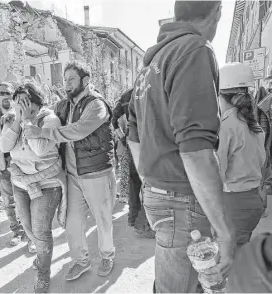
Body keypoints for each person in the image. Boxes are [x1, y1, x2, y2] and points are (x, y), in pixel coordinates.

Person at [127, 1, 235, 292]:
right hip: (181, 198)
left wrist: (151, 184)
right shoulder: (194, 49)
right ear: (217, 13)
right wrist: (225, 234)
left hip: (159, 193)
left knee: (177, 283)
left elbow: (133, 137)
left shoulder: (149, 65)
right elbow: (196, 151)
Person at [24, 60, 117, 281]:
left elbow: (77, 131)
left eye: (71, 79)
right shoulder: (63, 106)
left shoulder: (97, 105)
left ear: (85, 80)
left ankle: (107, 255)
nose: (66, 84)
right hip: (73, 176)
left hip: (96, 173)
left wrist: (41, 133)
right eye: (65, 79)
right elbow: (48, 118)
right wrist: (27, 115)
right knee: (72, 222)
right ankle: (81, 261)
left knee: (103, 220)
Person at [0, 82, 66, 293]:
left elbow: (39, 150)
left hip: (46, 183)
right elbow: (3, 147)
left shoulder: (49, 119)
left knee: (41, 231)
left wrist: (28, 121)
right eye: (18, 103)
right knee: (29, 230)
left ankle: (43, 274)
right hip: (21, 184)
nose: (21, 107)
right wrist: (18, 120)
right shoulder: (14, 120)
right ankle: (41, 258)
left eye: (26, 103)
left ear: (37, 102)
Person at [217, 62, 266, 248]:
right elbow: (262, 162)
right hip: (252, 200)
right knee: (239, 252)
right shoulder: (253, 125)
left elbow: (217, 174)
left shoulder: (226, 126)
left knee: (227, 261)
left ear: (221, 96)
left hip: (234, 203)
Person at [0, 82, 28, 246]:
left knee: (24, 198)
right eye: (2, 93)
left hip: (21, 164)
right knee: (9, 201)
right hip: (2, 166)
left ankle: (29, 231)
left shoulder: (20, 114)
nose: (6, 96)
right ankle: (16, 231)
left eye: (9, 93)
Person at [112, 89, 155, 238]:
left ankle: (133, 220)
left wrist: (123, 137)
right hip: (148, 144)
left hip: (132, 143)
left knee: (134, 184)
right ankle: (143, 224)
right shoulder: (149, 90)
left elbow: (113, 118)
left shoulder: (126, 95)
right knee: (149, 186)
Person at [257, 71, 272, 218]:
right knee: (264, 179)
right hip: (267, 146)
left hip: (267, 147)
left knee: (264, 179)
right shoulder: (265, 104)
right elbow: (263, 131)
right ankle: (262, 208)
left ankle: (262, 208)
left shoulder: (264, 104)